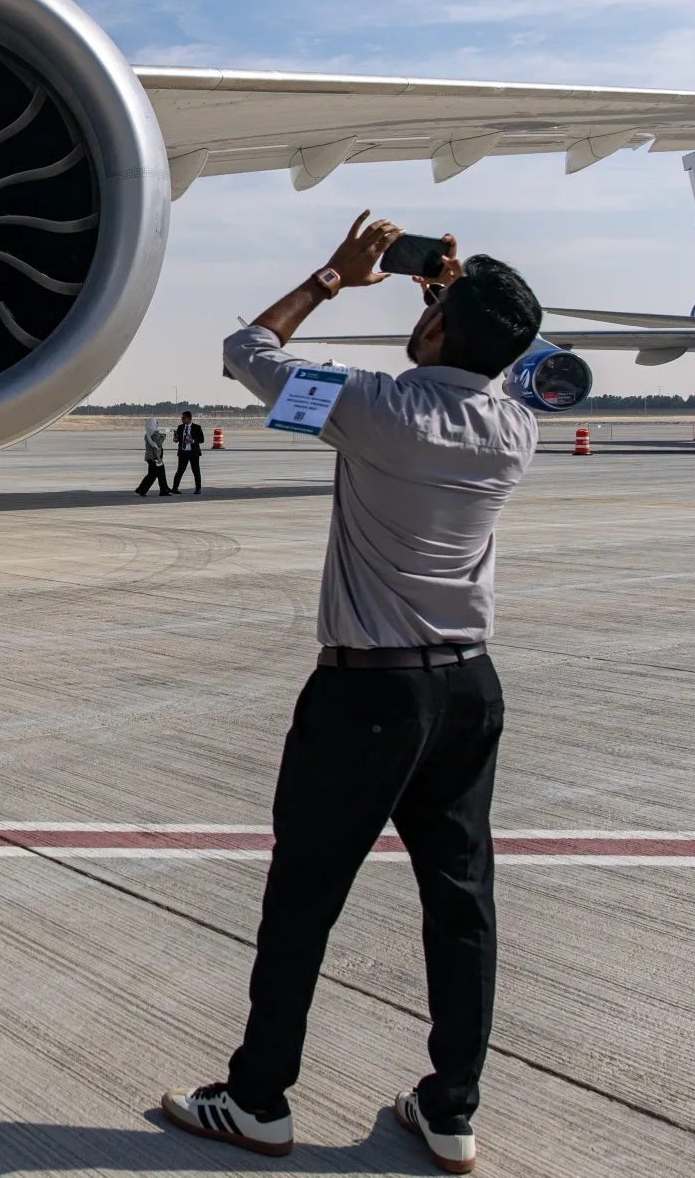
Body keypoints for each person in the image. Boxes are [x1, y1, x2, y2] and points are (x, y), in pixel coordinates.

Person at [160, 211, 542, 1173]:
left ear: (442, 329)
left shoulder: (376, 409)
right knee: (461, 903)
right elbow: (482, 361)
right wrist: (445, 306)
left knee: (305, 897)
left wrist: (334, 277)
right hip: (470, 690)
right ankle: (451, 1108)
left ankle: (258, 1102)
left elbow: (246, 351)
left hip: (370, 693)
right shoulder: (514, 427)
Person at [135, 417, 171, 496]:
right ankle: (141, 490)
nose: (157, 425)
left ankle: (164, 490)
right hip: (155, 457)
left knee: (161, 472)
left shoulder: (147, 433)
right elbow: (156, 446)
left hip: (149, 457)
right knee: (152, 475)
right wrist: (162, 438)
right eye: (156, 423)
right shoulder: (155, 433)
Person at [172, 410, 205, 493]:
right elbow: (176, 440)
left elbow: (201, 439)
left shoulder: (197, 427)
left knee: (196, 471)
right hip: (183, 452)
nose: (182, 419)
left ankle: (198, 489)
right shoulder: (180, 427)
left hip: (193, 452)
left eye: (184, 418)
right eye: (181, 418)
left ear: (189, 418)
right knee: (180, 471)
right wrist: (175, 437)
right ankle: (175, 488)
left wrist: (192, 441)